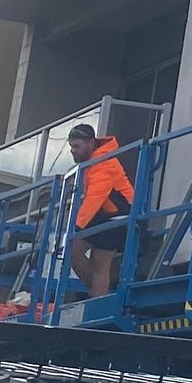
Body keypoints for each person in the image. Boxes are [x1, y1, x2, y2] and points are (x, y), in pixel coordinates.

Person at [66, 122, 135, 300]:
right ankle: (98, 291)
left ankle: (97, 298)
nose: (72, 150)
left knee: (99, 261)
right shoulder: (94, 161)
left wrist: (76, 227)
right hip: (107, 214)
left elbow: (94, 199)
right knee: (74, 251)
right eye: (71, 146)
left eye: (76, 146)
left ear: (91, 143)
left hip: (122, 215)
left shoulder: (103, 163)